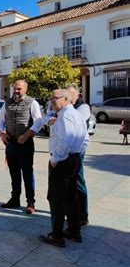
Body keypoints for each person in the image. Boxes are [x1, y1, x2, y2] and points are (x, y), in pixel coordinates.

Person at [40, 89, 89, 248]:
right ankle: (74, 231)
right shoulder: (74, 114)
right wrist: (78, 155)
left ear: (66, 99)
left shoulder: (66, 115)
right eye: (51, 98)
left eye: (55, 98)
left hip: (63, 160)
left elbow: (66, 140)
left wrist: (55, 159)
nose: (51, 101)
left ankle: (57, 235)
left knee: (57, 198)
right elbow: (85, 139)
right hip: (74, 159)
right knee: (71, 197)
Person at [0, 80, 43, 214]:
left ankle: (30, 202)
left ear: (25, 89)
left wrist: (27, 134)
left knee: (27, 172)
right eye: (15, 89)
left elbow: (39, 121)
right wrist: (1, 133)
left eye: (19, 89)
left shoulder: (32, 102)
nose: (16, 91)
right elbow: (1, 120)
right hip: (11, 143)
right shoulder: (7, 103)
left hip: (26, 143)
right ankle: (15, 199)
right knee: (14, 172)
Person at [66, 84, 91, 226]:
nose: (68, 98)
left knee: (78, 181)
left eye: (71, 95)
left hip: (77, 151)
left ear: (77, 95)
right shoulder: (67, 107)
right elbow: (48, 117)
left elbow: (74, 122)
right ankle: (71, 211)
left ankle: (83, 214)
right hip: (66, 151)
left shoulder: (83, 107)